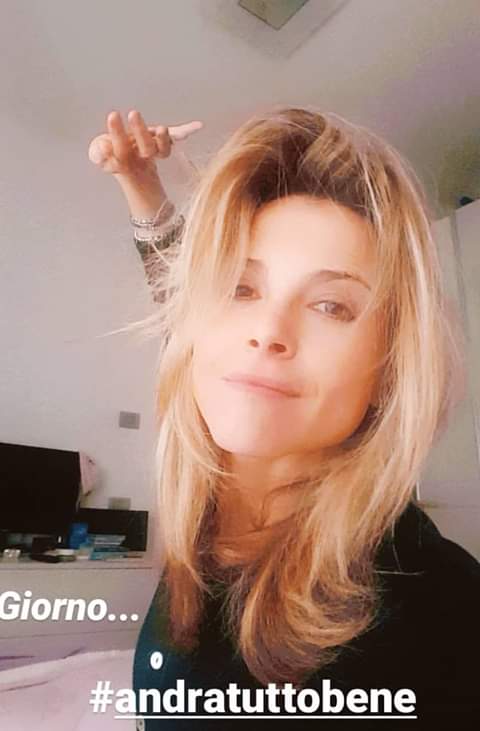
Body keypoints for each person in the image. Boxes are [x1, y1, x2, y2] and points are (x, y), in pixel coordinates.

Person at [88, 107, 480, 729]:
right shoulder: (213, 520)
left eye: (330, 306)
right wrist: (140, 185)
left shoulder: (441, 608)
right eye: (240, 289)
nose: (267, 331)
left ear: (390, 365)